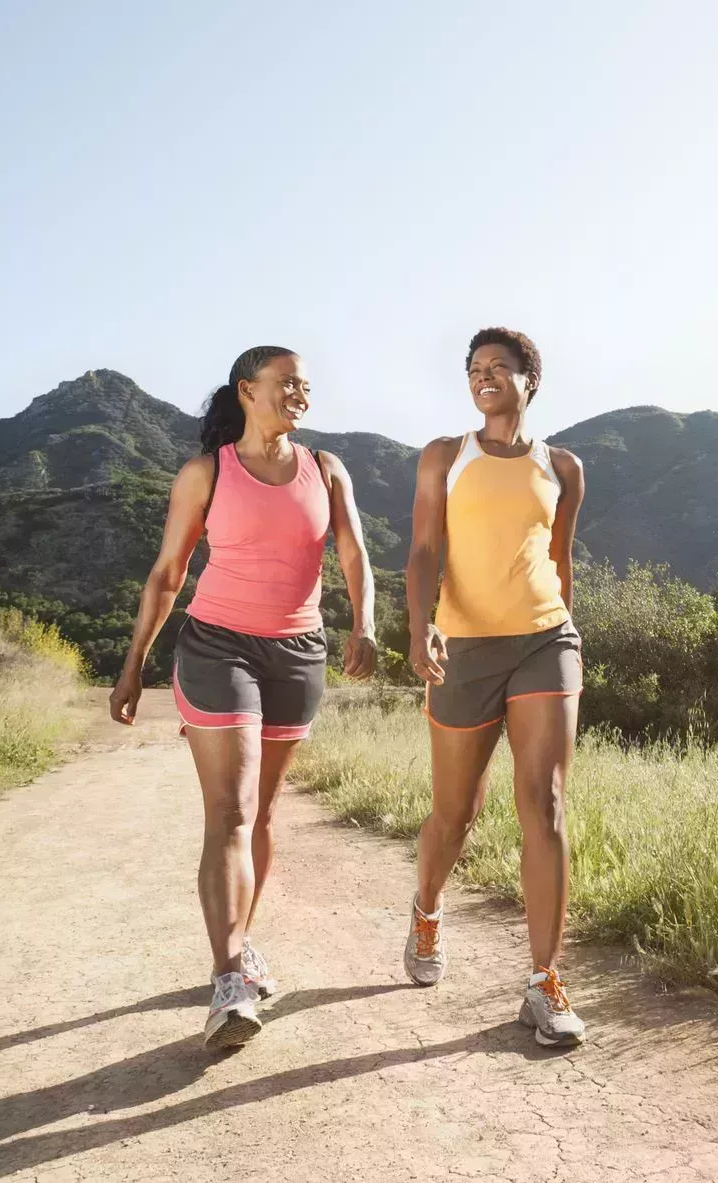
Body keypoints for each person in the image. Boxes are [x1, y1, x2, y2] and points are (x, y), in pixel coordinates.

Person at [109, 346, 377, 1051]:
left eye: (305, 386)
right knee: (228, 810)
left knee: (261, 813)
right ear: (247, 389)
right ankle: (229, 976)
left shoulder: (325, 468)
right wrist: (133, 663)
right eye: (287, 382)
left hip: (297, 650)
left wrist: (366, 624)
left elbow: (352, 552)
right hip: (216, 644)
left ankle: (240, 941)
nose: (300, 394)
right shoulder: (207, 473)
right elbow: (168, 572)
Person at [403, 327, 586, 1047]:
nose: (483, 378)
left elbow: (560, 560)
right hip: (463, 645)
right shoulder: (444, 457)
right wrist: (419, 627)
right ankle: (425, 906)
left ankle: (543, 981)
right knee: (454, 814)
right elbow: (421, 550)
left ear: (528, 380)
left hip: (545, 638)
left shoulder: (563, 466)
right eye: (474, 369)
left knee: (543, 801)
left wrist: (567, 629)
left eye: (498, 368)